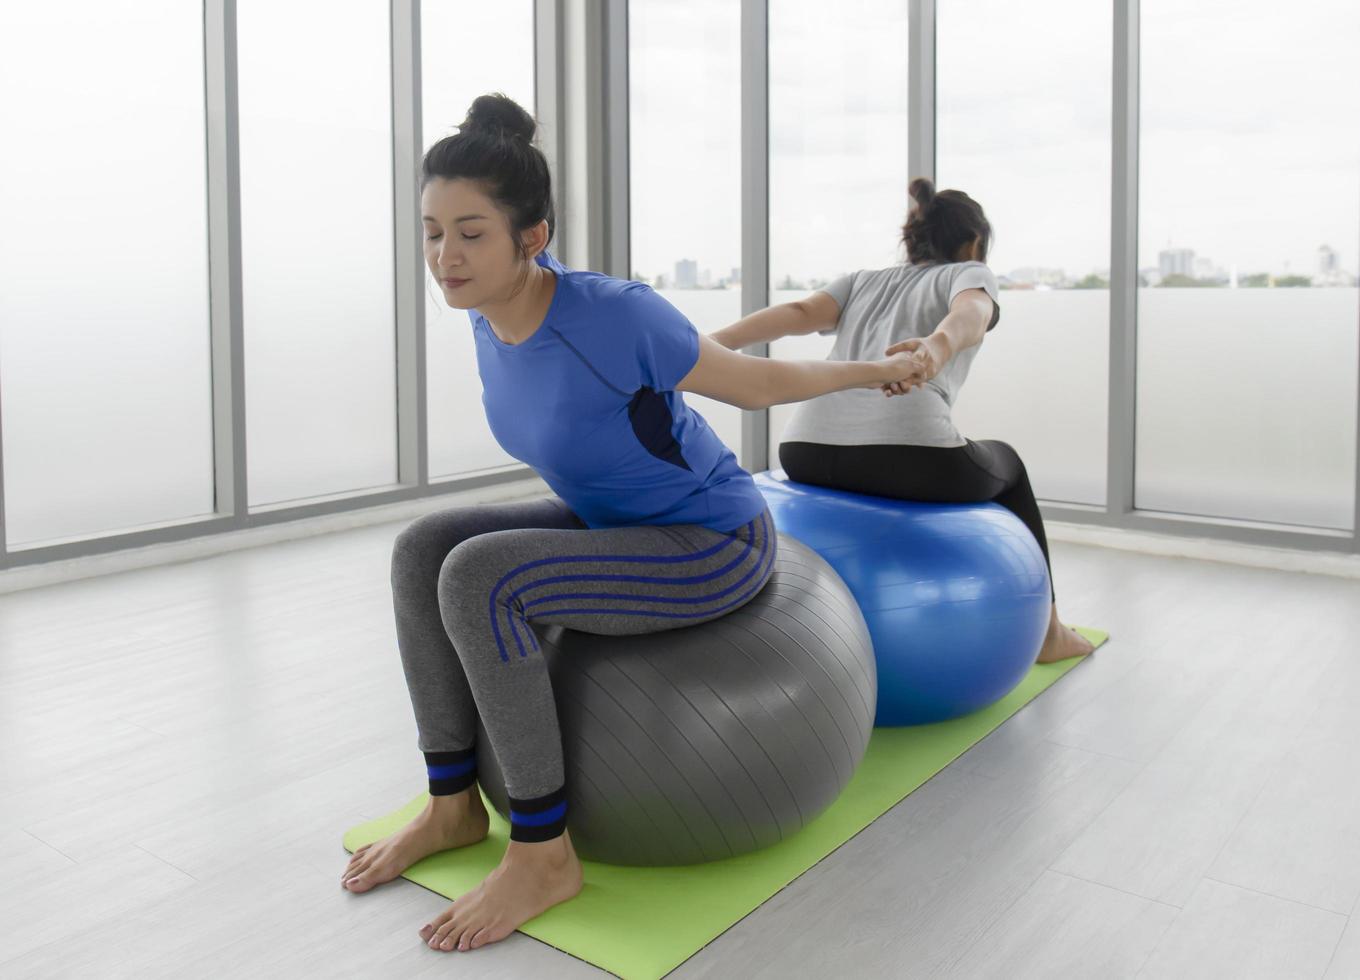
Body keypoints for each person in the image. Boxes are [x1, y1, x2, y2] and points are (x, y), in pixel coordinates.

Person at [338, 94, 924, 953]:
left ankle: (542, 854)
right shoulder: (487, 312)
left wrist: (875, 369)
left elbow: (753, 386)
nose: (444, 257)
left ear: (530, 238)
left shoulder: (611, 314)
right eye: (431, 232)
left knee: (478, 576)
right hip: (611, 521)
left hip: (711, 544)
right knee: (423, 548)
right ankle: (453, 803)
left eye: (469, 232)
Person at [710, 177, 1095, 667]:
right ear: (974, 243)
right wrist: (937, 346)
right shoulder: (969, 272)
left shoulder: (863, 279)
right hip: (905, 456)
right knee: (1010, 466)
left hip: (805, 449)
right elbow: (971, 313)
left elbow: (800, 312)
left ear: (911, 238)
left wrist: (713, 341)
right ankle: (1050, 635)